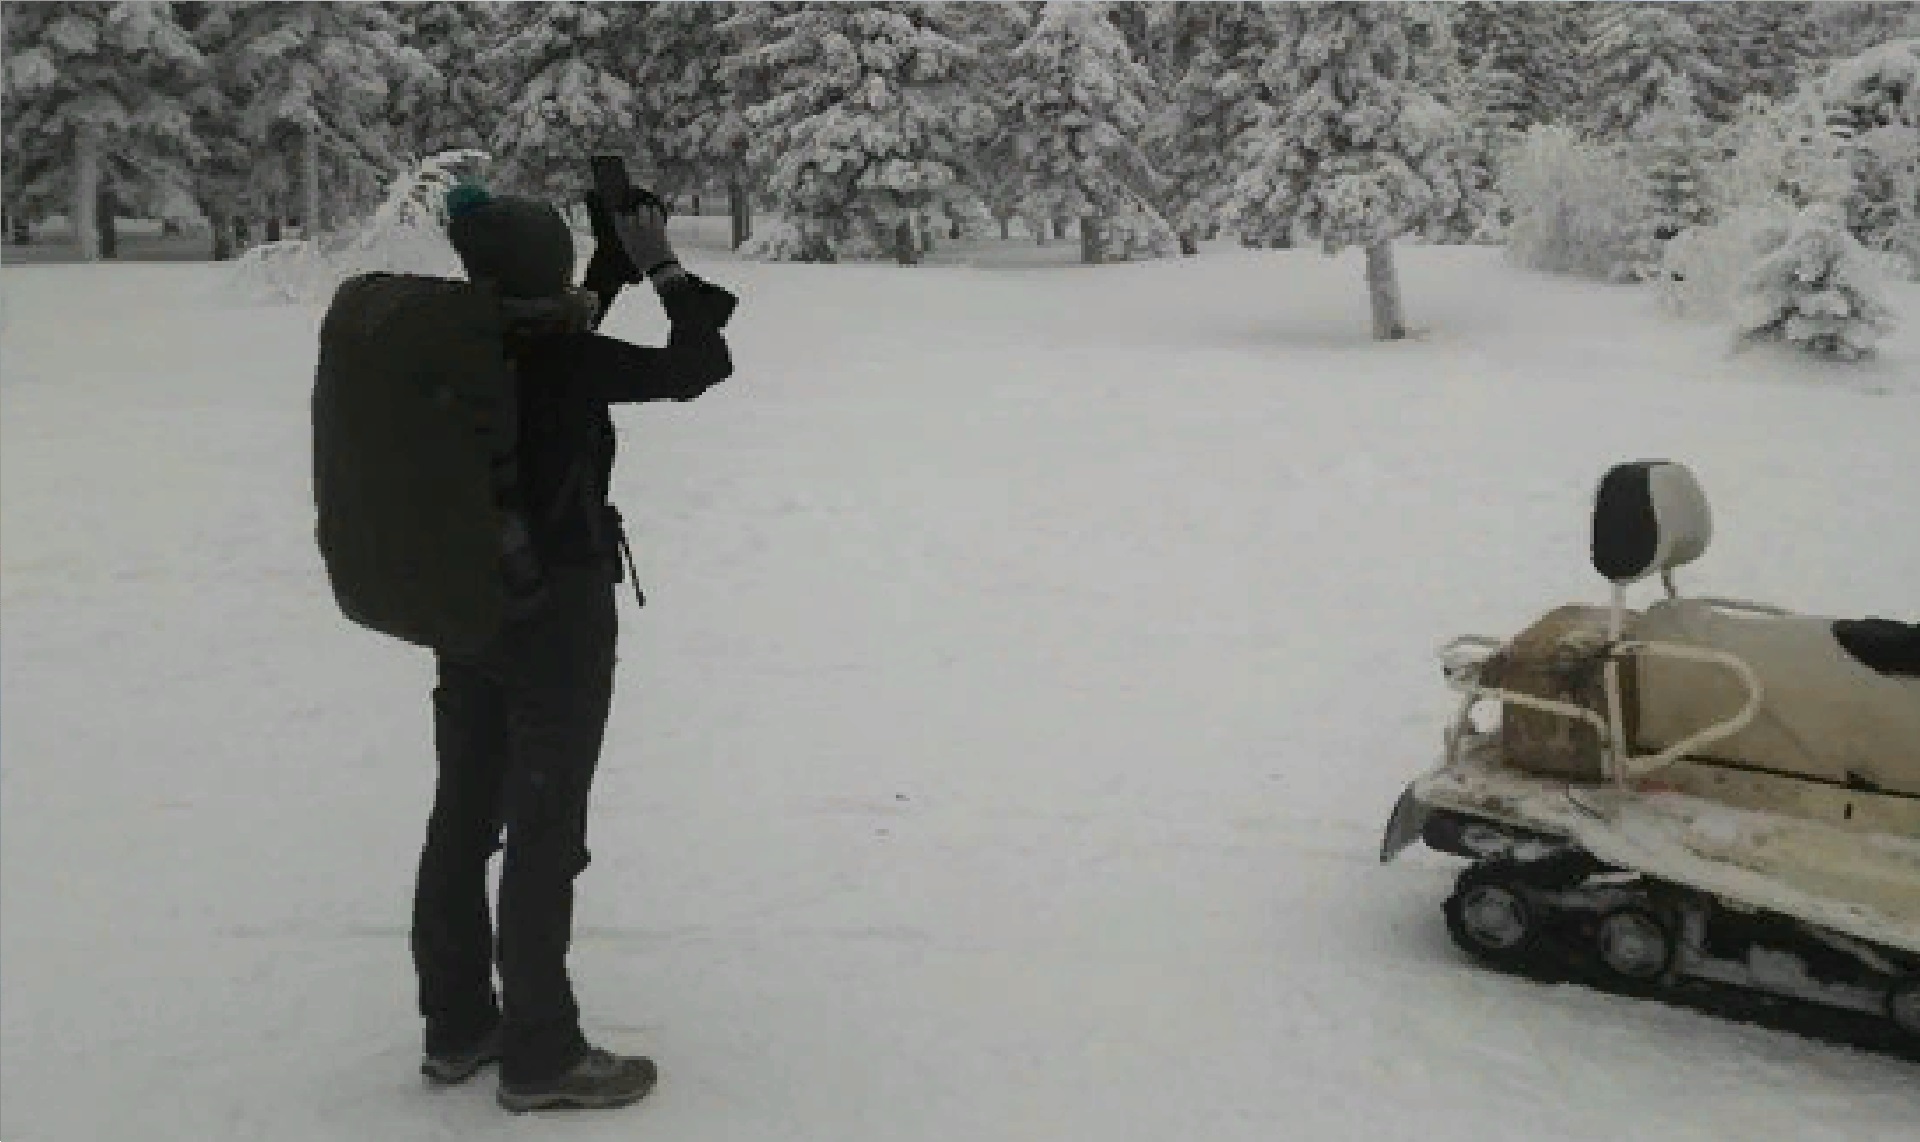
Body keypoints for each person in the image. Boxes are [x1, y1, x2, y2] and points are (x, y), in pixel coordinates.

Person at [407, 182, 737, 1112]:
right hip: (558, 616)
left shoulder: (459, 340)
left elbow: (560, 322)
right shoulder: (565, 363)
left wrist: (607, 267)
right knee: (546, 827)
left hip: (471, 608)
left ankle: (459, 1022)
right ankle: (542, 1053)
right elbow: (697, 365)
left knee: (464, 815)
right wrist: (665, 268)